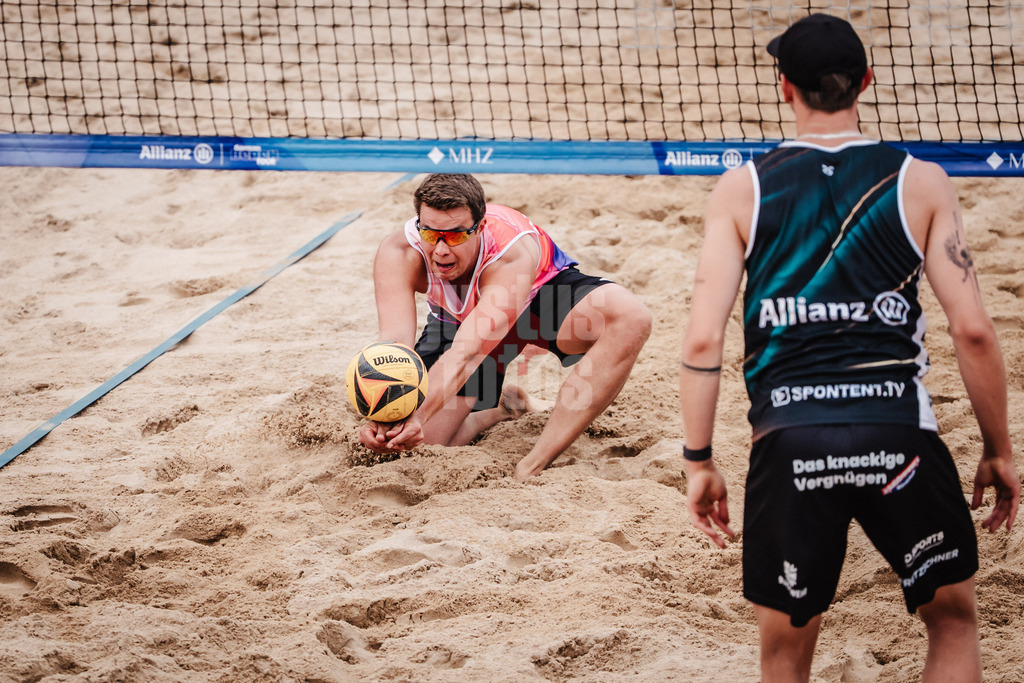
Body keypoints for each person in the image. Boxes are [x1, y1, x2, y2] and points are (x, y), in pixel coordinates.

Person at [678, 13, 1020, 682]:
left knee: (783, 655)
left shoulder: (743, 187)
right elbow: (974, 328)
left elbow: (701, 336)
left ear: (785, 89)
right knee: (951, 621)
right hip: (897, 428)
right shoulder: (919, 180)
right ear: (867, 80)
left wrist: (699, 460)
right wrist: (999, 449)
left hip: (789, 438)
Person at [359, 173, 651, 480]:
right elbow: (393, 350)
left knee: (631, 318)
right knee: (414, 449)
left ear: (480, 227)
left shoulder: (509, 253)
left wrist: (417, 414)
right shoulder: (399, 252)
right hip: (459, 322)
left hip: (538, 302)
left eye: (456, 235)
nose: (441, 250)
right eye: (430, 234)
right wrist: (384, 417)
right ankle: (499, 409)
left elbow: (468, 355)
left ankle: (534, 463)